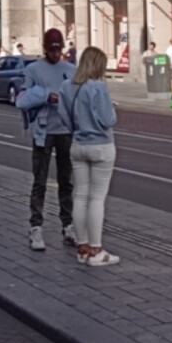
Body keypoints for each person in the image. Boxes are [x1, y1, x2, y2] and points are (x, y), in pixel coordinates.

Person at [16, 28, 78, 252]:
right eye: (52, 50)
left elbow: (77, 97)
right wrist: (45, 96)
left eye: (58, 50)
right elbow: (21, 99)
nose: (55, 54)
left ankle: (68, 225)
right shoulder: (33, 69)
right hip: (43, 131)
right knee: (40, 180)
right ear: (44, 48)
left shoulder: (71, 69)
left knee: (66, 180)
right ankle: (36, 226)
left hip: (65, 130)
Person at [62, 47, 119, 266]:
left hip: (78, 145)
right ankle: (96, 250)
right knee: (96, 198)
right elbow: (108, 120)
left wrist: (77, 130)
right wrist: (112, 108)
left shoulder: (67, 86)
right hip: (101, 146)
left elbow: (64, 116)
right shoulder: (99, 87)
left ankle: (83, 248)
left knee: (80, 196)